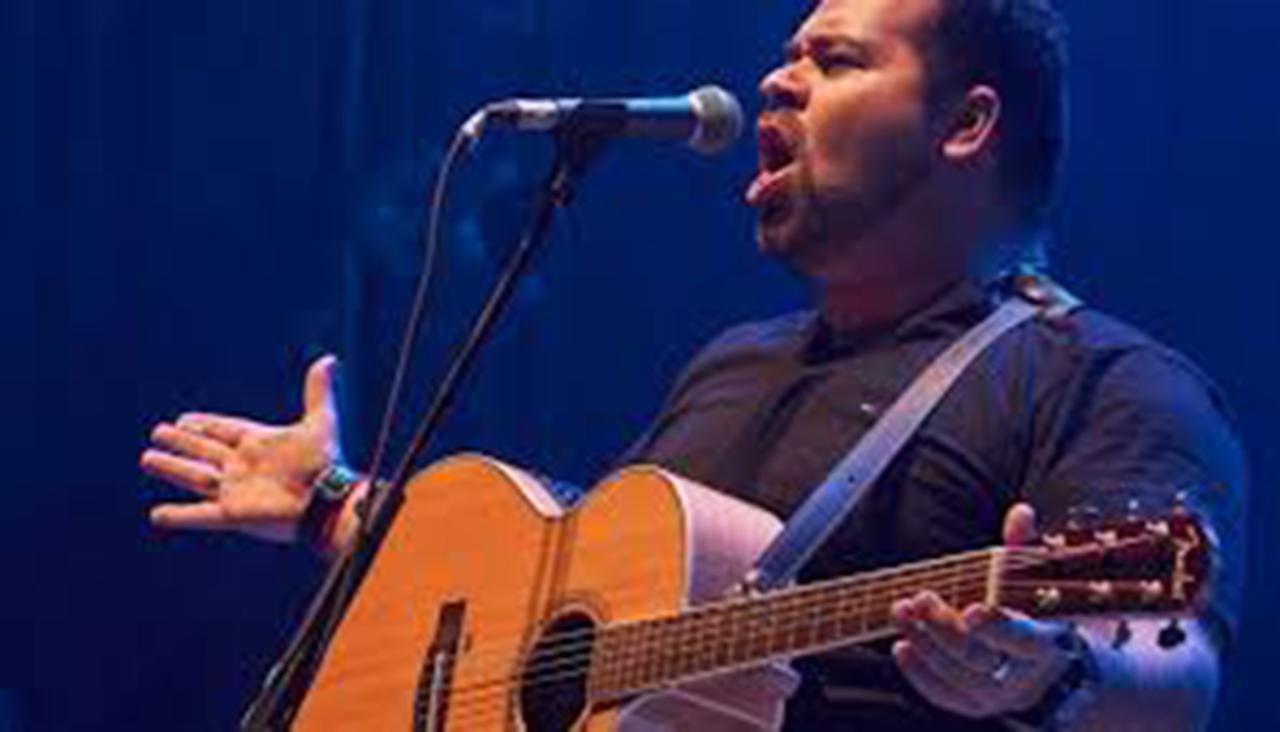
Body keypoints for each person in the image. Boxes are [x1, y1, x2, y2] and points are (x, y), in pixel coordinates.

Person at [141, 0, 1245, 729]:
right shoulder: (735, 362)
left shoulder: (1104, 381)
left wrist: (1058, 673)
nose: (776, 81)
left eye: (835, 59)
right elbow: (539, 608)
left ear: (966, 123)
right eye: (789, 53)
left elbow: (1176, 665)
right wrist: (331, 503)